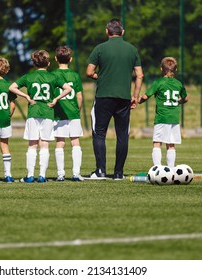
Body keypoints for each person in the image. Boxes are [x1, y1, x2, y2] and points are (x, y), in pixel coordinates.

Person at [86, 18, 144, 180]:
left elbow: (89, 72)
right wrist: (135, 96)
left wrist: (101, 76)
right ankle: (119, 173)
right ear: (122, 32)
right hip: (124, 98)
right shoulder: (132, 50)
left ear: (107, 31)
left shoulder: (100, 48)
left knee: (99, 133)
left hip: (103, 96)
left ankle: (100, 171)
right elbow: (139, 75)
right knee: (122, 135)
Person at [9, 50, 72, 183]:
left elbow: (12, 87)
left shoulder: (29, 77)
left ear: (34, 63)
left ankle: (30, 175)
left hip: (33, 112)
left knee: (32, 145)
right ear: (48, 63)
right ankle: (42, 175)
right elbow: (68, 89)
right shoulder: (53, 77)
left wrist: (26, 96)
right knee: (44, 145)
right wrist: (55, 99)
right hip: (48, 113)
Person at [139, 57, 188, 168]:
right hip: (174, 118)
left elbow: (146, 96)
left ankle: (157, 168)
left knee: (157, 143)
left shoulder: (158, 83)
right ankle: (170, 169)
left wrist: (139, 101)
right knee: (171, 145)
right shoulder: (179, 84)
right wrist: (178, 101)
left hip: (162, 118)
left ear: (161, 69)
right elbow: (186, 98)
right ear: (176, 69)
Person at [52, 46, 84, 182]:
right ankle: (76, 174)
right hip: (73, 113)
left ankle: (60, 174)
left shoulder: (52, 75)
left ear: (55, 59)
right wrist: (78, 110)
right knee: (75, 142)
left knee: (60, 142)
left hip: (58, 113)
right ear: (70, 59)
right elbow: (80, 96)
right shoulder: (75, 75)